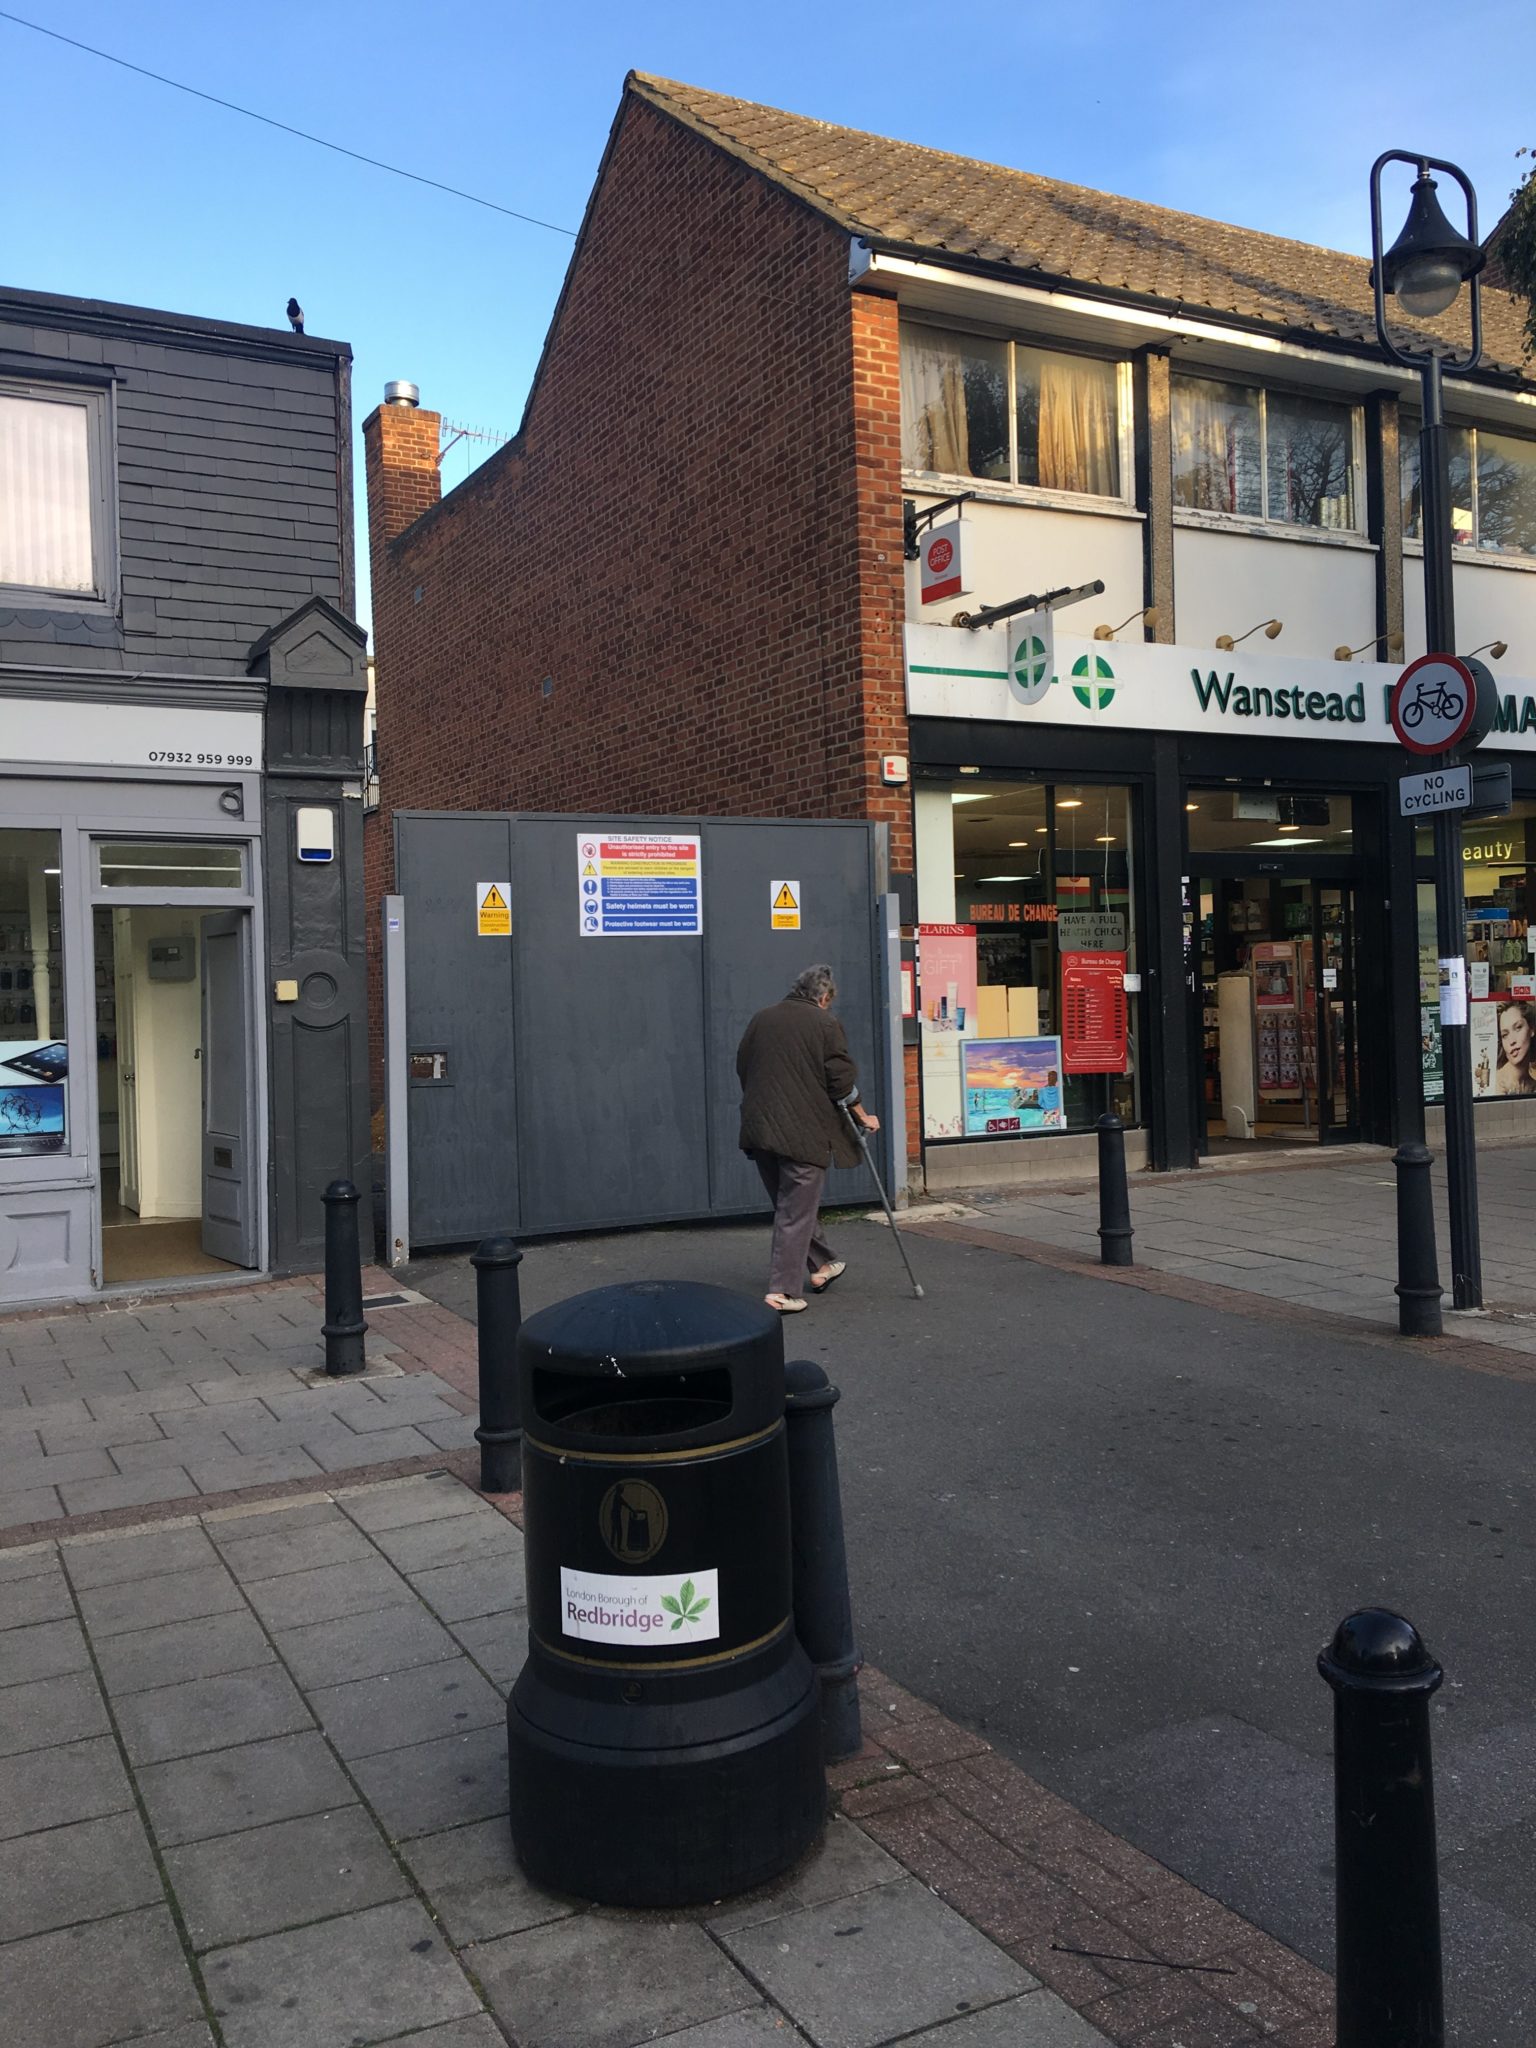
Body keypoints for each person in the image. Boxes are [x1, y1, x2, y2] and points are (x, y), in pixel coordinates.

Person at [736, 963, 879, 1314]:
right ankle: (781, 1292)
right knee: (795, 1212)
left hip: (759, 1129)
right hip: (803, 1133)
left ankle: (823, 1265)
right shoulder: (824, 1023)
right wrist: (864, 1116)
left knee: (793, 1206)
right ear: (825, 996)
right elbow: (840, 1082)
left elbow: (743, 1065)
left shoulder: (762, 1018)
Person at [1495, 998, 1536, 1097]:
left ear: (1531, 1029)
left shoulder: (1533, 1086)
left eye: (1518, 1028)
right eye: (1505, 1035)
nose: (1512, 1041)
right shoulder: (1495, 1083)